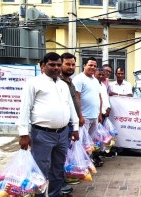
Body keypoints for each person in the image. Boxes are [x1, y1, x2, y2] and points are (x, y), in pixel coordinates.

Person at [16, 52, 79, 197]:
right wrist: (23, 134)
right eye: (52, 65)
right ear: (43, 66)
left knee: (58, 168)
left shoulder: (63, 85)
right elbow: (25, 109)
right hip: (42, 134)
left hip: (63, 133)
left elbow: (70, 107)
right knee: (40, 170)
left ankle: (55, 194)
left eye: (58, 65)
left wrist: (75, 128)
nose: (56, 68)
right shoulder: (33, 83)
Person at [72, 57, 103, 167]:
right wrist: (80, 116)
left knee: (89, 144)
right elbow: (76, 98)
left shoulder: (95, 80)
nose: (93, 67)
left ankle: (87, 163)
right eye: (90, 65)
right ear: (84, 65)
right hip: (84, 117)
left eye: (95, 66)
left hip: (94, 116)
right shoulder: (79, 79)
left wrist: (99, 114)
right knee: (80, 143)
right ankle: (78, 165)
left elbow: (99, 97)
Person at [59, 53, 84, 190]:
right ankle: (59, 184)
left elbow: (74, 102)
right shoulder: (58, 82)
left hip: (70, 125)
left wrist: (78, 119)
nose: (71, 67)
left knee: (64, 155)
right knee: (60, 156)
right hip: (59, 126)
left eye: (73, 64)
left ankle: (62, 181)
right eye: (67, 64)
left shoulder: (70, 81)